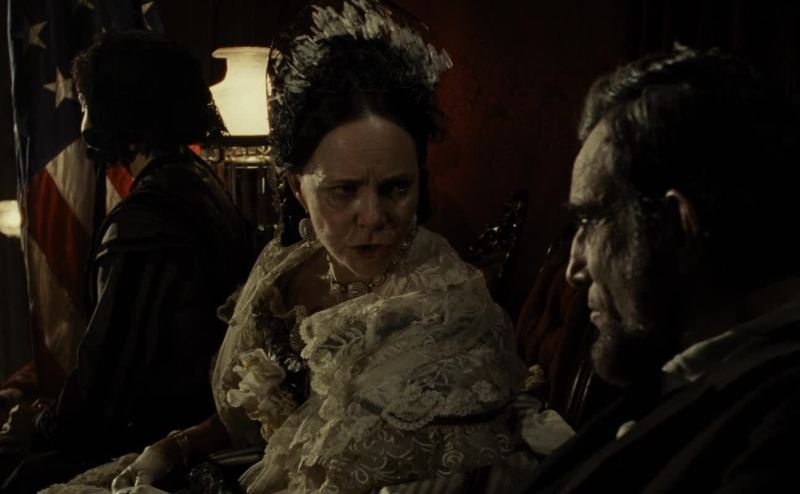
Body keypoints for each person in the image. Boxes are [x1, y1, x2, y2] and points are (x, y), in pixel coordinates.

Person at [105, 1, 563, 493]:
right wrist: (171, 448)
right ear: (297, 188)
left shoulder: (444, 306)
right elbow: (253, 420)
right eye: (344, 190)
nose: (374, 217)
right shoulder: (286, 266)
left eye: (396, 188)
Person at [522, 45, 800, 492]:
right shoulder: (673, 376)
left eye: (590, 222)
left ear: (676, 227)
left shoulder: (779, 424)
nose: (574, 268)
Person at [0, 31, 254, 492]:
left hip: (155, 444)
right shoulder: (198, 185)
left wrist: (35, 427)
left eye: (84, 103)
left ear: (112, 108)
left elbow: (105, 380)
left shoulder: (148, 219)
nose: (82, 121)